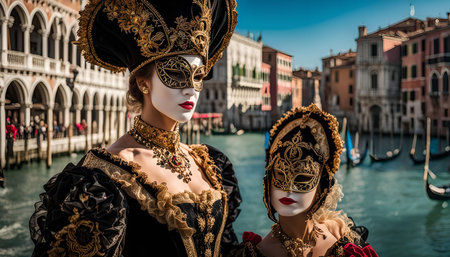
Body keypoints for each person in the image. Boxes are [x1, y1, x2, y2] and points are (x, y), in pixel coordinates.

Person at [29, 0, 240, 257]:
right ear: (143, 83)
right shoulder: (105, 176)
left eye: (198, 76)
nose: (190, 88)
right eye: (175, 72)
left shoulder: (209, 162)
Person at [230, 104, 378, 257]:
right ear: (268, 181)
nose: (288, 188)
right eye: (280, 175)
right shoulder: (258, 253)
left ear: (322, 187)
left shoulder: (341, 233)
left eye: (303, 177)